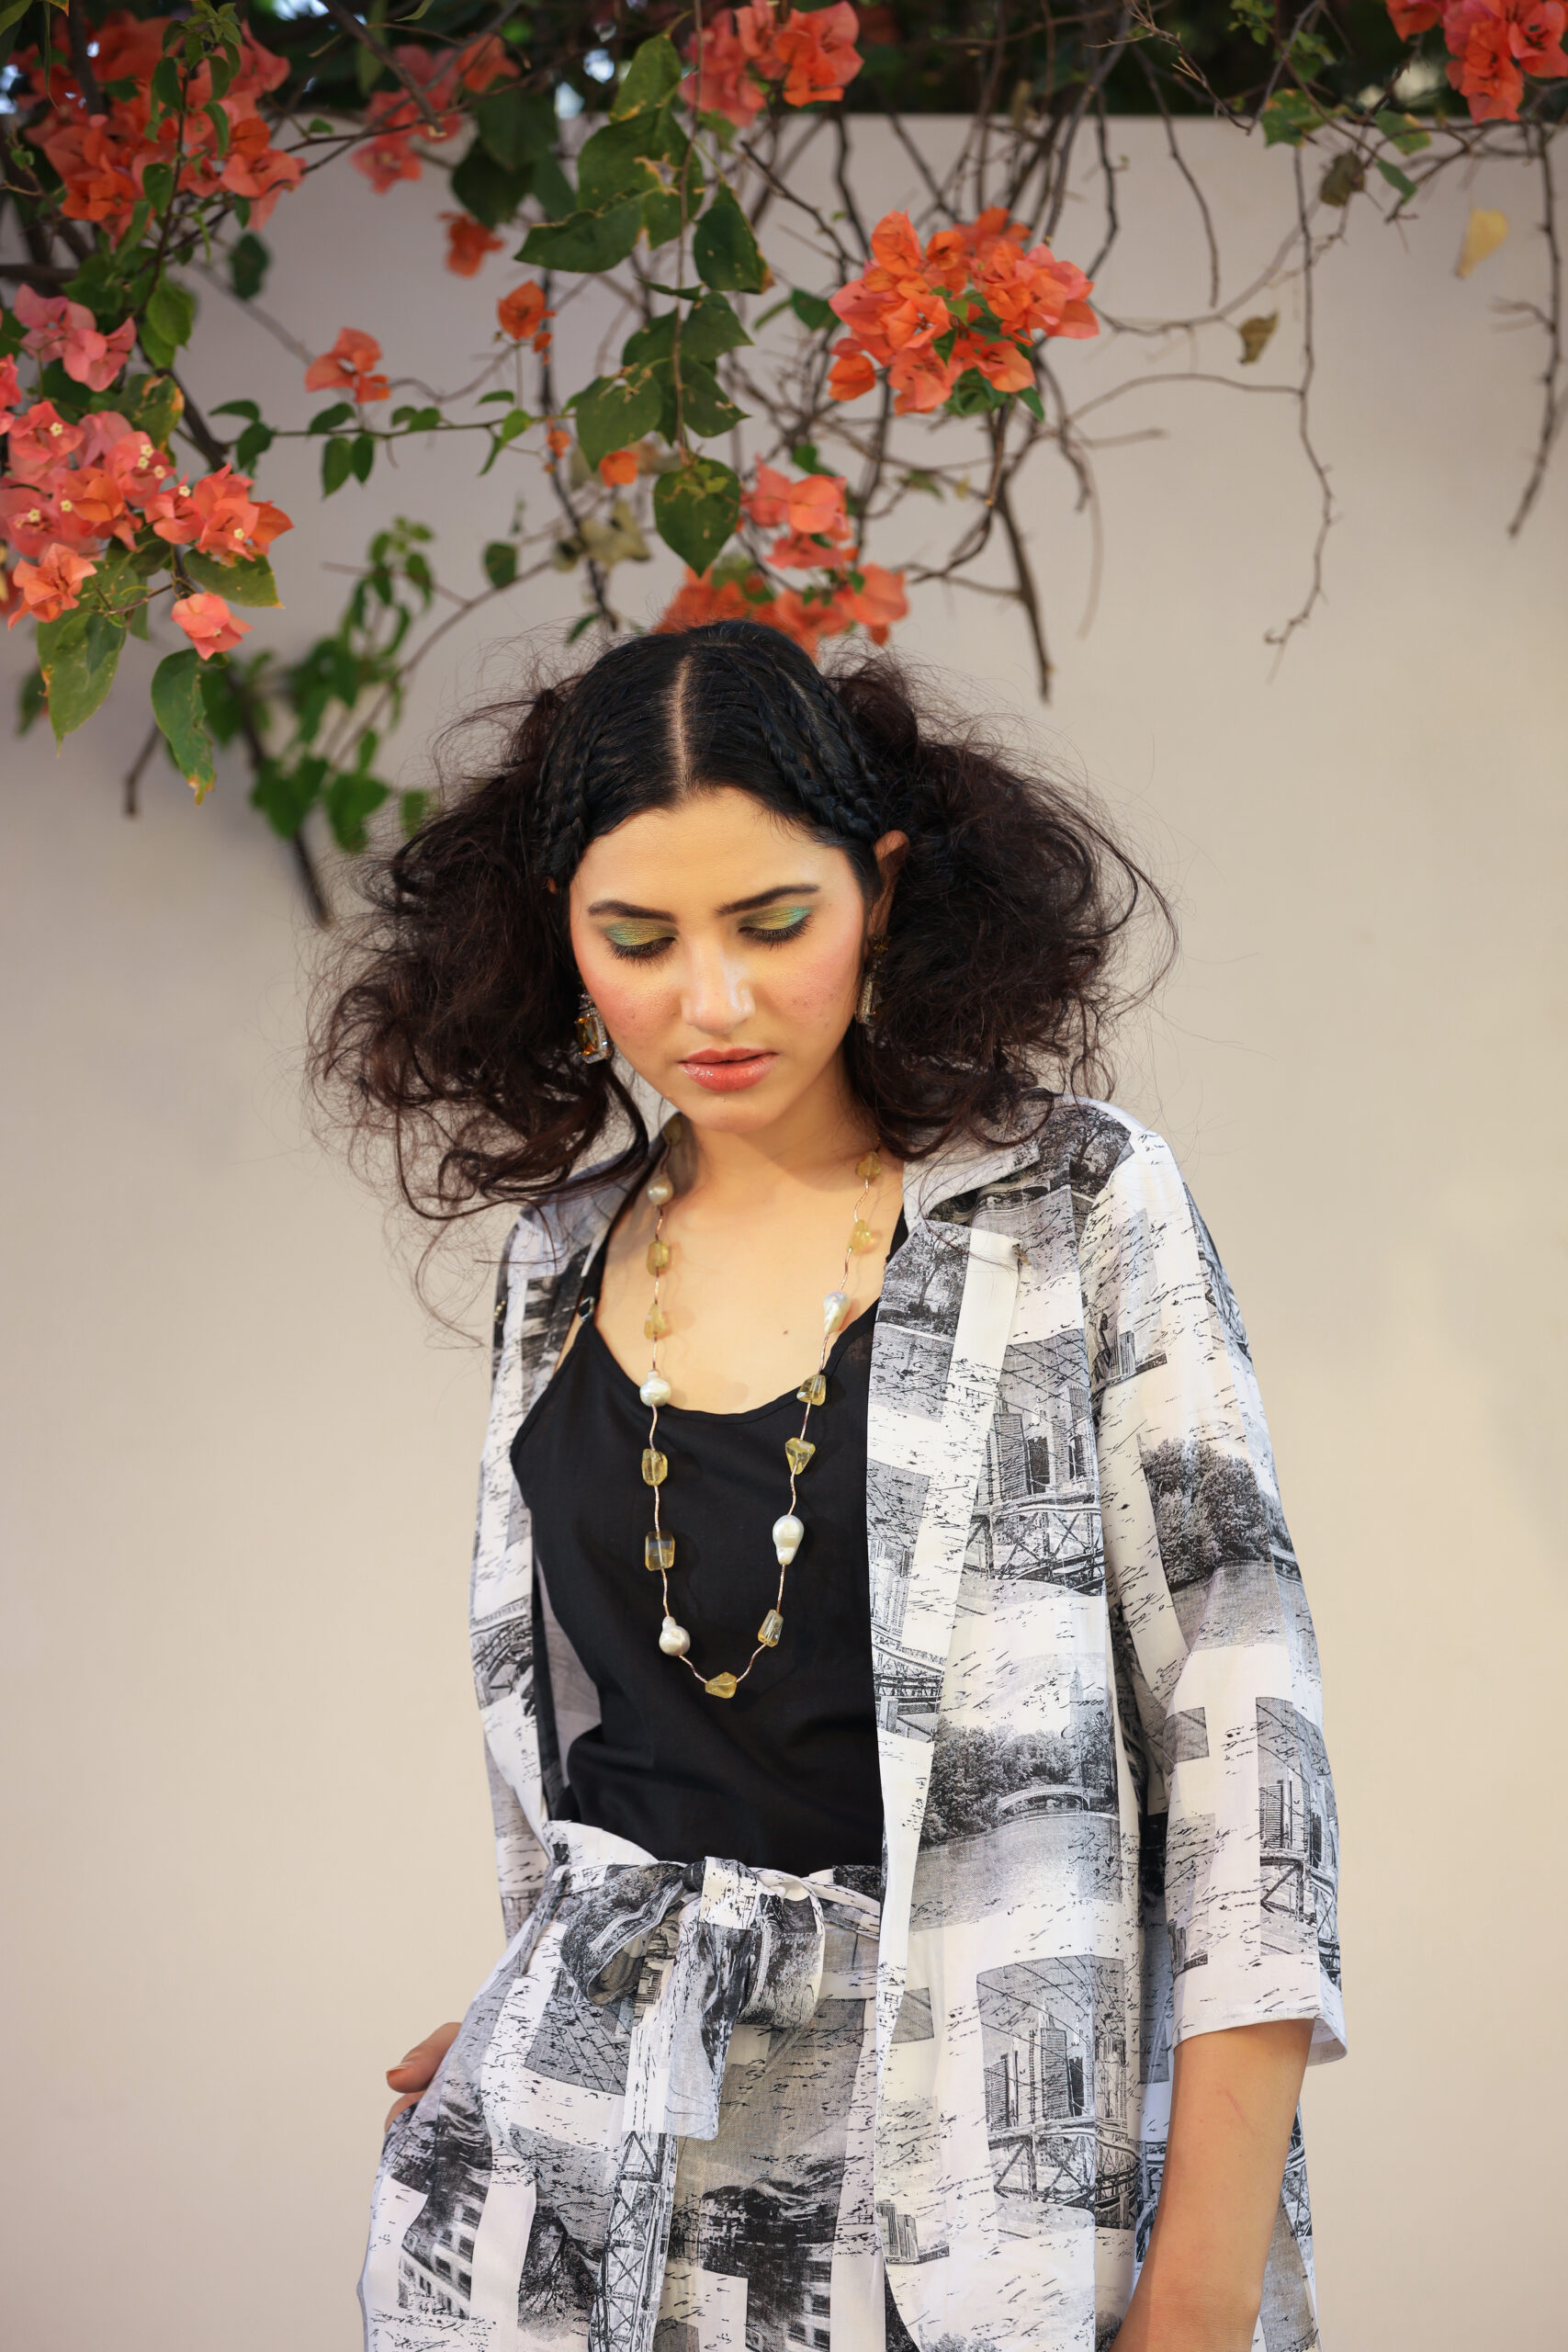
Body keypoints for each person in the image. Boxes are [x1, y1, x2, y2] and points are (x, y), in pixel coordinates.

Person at [315, 620, 1345, 2352]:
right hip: (592, 2188)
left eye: (771, 923)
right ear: (558, 928)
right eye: (638, 938)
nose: (709, 1002)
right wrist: (543, 2001)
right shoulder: (557, 1263)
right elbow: (587, 1758)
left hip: (978, 2187)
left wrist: (1201, 2297)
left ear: (883, 886)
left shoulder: (1074, 1208)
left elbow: (1251, 1756)